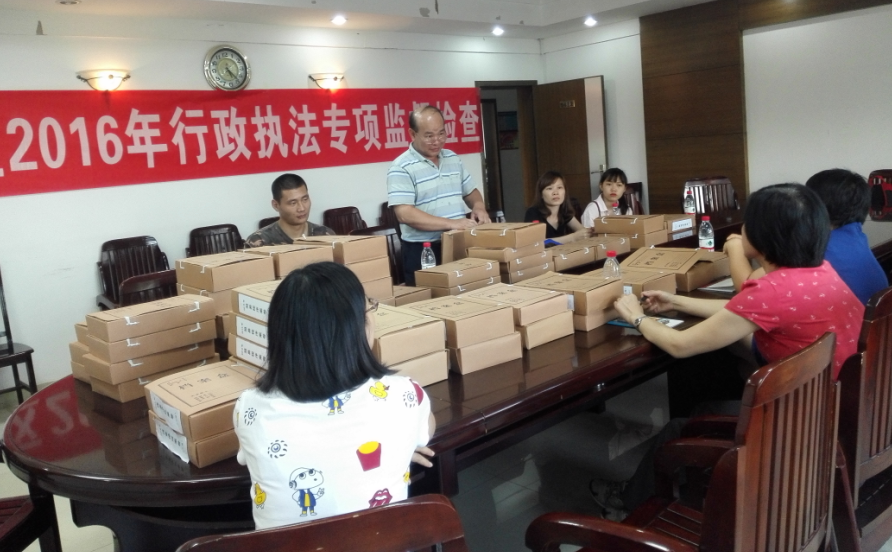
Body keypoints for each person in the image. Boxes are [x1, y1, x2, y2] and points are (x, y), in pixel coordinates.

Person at [591, 183, 863, 520]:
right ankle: (696, 488)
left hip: (797, 422)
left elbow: (680, 345)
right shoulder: (818, 271)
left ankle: (629, 506)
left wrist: (636, 316)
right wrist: (676, 301)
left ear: (762, 236)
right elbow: (740, 311)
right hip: (832, 404)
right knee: (705, 407)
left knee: (677, 429)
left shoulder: (772, 289)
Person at [233, 262, 434, 529]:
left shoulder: (249, 408)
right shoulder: (404, 395)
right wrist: (399, 447)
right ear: (357, 326)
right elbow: (426, 430)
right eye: (369, 308)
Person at [725, 170, 887, 305]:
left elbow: (748, 290)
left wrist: (735, 247)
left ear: (815, 207)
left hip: (834, 333)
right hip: (863, 328)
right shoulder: (855, 236)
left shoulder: (817, 247)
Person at [387, 105, 491, 285]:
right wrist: (451, 223)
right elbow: (405, 214)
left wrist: (479, 207)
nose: (437, 141)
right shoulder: (401, 167)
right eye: (429, 136)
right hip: (423, 250)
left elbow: (471, 191)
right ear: (412, 134)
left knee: (463, 292)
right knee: (430, 298)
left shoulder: (452, 158)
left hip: (457, 242)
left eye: (441, 133)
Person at [244, 173, 335, 248]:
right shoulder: (259, 242)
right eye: (293, 203)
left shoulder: (325, 235)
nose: (302, 208)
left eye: (305, 199)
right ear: (276, 205)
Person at [523, 170, 590, 241]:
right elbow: (537, 242)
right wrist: (573, 237)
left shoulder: (564, 211)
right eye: (549, 188)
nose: (555, 192)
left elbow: (582, 231)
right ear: (541, 194)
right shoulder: (533, 213)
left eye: (559, 187)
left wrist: (591, 232)